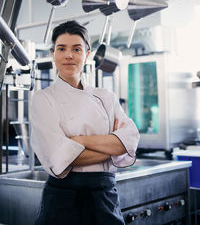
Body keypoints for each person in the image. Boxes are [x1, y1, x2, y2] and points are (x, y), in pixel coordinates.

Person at [30, 20, 140, 225]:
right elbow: (57, 157)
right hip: (63, 200)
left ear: (87, 55)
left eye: (76, 49)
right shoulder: (43, 99)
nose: (69, 55)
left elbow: (130, 139)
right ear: (53, 54)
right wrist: (113, 146)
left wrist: (79, 141)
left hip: (105, 197)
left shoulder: (106, 97)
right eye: (61, 48)